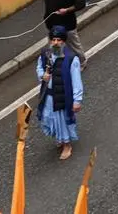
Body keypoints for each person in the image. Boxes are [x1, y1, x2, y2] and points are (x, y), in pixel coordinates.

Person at [36, 25, 84, 160]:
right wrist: (42, 75)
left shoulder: (71, 59)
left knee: (62, 120)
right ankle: (60, 138)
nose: (56, 42)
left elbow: (76, 80)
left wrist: (77, 100)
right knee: (48, 117)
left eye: (59, 40)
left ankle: (67, 145)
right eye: (53, 40)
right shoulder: (45, 54)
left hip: (63, 95)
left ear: (64, 41)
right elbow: (39, 68)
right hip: (48, 95)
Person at [42, 0, 87, 68]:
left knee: (74, 45)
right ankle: (58, 64)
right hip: (52, 24)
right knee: (55, 46)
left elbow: (81, 3)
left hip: (67, 24)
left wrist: (66, 10)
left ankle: (82, 62)